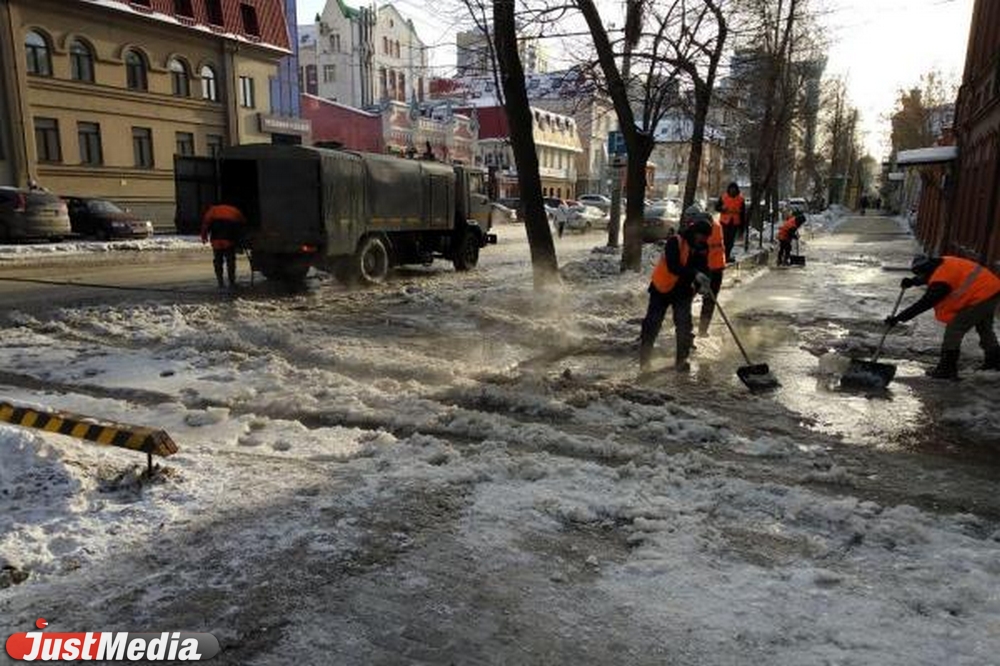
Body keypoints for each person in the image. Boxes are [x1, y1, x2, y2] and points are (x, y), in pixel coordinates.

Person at [885, 255, 1000, 378]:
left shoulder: (941, 282)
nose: (921, 277)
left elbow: (924, 303)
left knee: (955, 329)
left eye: (920, 274)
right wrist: (914, 281)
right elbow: (931, 276)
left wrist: (899, 318)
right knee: (984, 328)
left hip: (982, 294)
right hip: (991, 288)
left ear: (926, 270)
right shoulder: (940, 263)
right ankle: (995, 362)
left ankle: (947, 369)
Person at [639, 211, 713, 373]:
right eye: (702, 236)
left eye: (706, 237)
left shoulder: (702, 247)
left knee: (684, 325)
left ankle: (681, 361)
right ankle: (644, 361)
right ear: (695, 233)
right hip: (661, 288)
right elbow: (673, 267)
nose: (704, 240)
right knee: (653, 323)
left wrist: (704, 284)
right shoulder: (675, 242)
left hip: (682, 291)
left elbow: (703, 267)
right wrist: (695, 274)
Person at [200, 202, 246, 290]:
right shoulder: (234, 210)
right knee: (230, 261)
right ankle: (232, 282)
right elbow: (242, 222)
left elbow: (205, 224)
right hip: (229, 240)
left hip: (216, 240)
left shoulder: (212, 210)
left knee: (218, 261)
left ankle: (220, 282)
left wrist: (204, 237)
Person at [698, 205, 726, 336]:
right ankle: (703, 329)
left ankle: (688, 327)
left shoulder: (701, 230)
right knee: (710, 299)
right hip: (717, 268)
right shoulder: (718, 226)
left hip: (706, 269)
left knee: (687, 297)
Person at [714, 182, 746, 264]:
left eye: (734, 189)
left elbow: (743, 214)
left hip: (734, 222)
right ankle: (721, 256)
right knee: (723, 240)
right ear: (729, 190)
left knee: (730, 241)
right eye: (731, 189)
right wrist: (722, 209)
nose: (732, 191)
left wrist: (742, 227)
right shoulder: (723, 197)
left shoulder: (741, 199)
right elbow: (716, 207)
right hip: (724, 222)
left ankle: (727, 256)